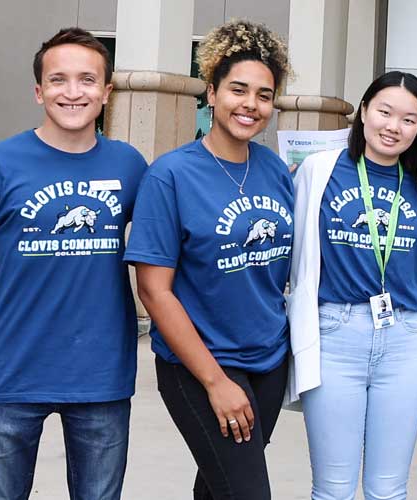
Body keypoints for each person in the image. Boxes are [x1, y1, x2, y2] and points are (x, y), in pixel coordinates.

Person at [0, 27, 147, 500]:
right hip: (9, 376)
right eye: (59, 80)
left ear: (106, 91)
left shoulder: (130, 166)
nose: (73, 92)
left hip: (102, 378)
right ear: (39, 91)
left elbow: (165, 256)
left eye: (87, 80)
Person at [123, 20, 295, 499]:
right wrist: (215, 381)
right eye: (238, 89)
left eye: (264, 95)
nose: (251, 104)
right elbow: (154, 291)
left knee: (220, 485)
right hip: (199, 366)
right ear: (212, 93)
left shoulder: (275, 170)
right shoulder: (171, 176)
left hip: (268, 359)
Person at [285, 70, 417, 500]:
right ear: (364, 111)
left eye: (409, 119)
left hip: (406, 340)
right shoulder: (319, 170)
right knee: (333, 489)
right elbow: (293, 253)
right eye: (385, 112)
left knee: (389, 489)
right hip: (335, 334)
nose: (394, 127)